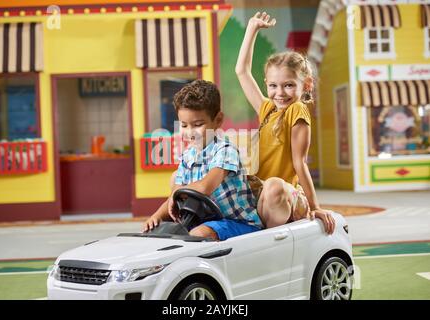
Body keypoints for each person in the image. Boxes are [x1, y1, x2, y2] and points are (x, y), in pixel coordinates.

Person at [235, 12, 335, 234]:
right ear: (267, 84)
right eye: (273, 86)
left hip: (286, 195)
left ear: (306, 84)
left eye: (288, 85)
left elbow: (300, 163)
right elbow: (241, 71)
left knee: (273, 185)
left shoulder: (297, 110)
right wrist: (251, 29)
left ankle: (272, 242)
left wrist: (316, 207)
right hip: (264, 193)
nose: (279, 93)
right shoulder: (268, 109)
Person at [143, 79, 263, 240]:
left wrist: (177, 193)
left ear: (218, 120)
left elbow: (205, 186)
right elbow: (176, 194)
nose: (190, 132)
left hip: (238, 223)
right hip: (204, 222)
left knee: (198, 234)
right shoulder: (187, 156)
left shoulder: (225, 150)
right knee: (158, 233)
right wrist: (156, 216)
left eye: (198, 124)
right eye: (184, 125)